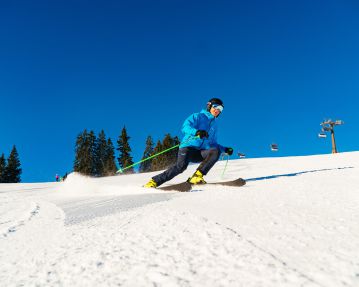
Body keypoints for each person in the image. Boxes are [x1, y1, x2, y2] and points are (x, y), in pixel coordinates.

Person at [144, 98, 233, 188]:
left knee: (215, 151)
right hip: (187, 148)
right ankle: (154, 182)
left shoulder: (214, 126)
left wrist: (225, 149)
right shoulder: (198, 116)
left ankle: (196, 176)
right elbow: (185, 127)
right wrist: (196, 132)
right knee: (180, 167)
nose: (217, 110)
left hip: (199, 152)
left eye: (220, 109)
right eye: (215, 107)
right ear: (209, 106)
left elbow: (213, 143)